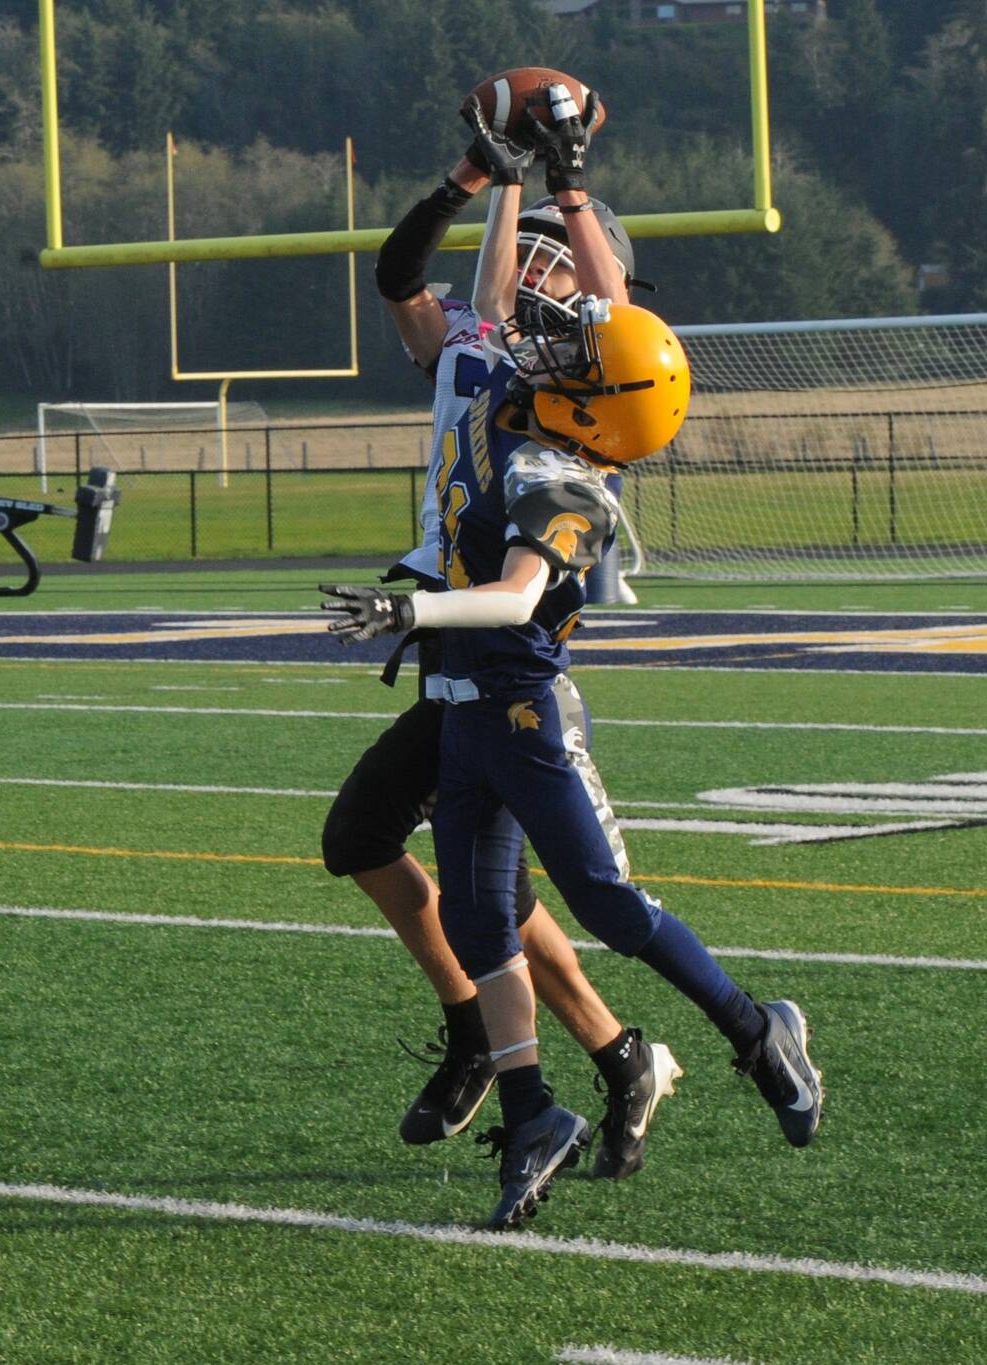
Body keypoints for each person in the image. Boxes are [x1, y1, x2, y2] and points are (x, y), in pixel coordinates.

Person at [322, 87, 822, 1231]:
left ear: (595, 384)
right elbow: (486, 300)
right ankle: (535, 1099)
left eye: (567, 315)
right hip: (460, 695)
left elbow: (510, 589)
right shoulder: (509, 371)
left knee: (595, 897)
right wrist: (499, 179)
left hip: (514, 689)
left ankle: (745, 1030)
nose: (541, 315)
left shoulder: (566, 463)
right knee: (479, 920)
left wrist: (560, 188)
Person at [323, 90, 678, 1182]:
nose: (526, 271)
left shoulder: (576, 384)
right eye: (516, 258)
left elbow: (604, 308)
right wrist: (477, 177)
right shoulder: (476, 353)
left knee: (463, 876)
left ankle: (540, 1045)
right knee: (443, 874)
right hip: (448, 650)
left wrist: (557, 186)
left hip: (505, 662)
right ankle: (613, 1056)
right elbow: (398, 280)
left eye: (549, 261)